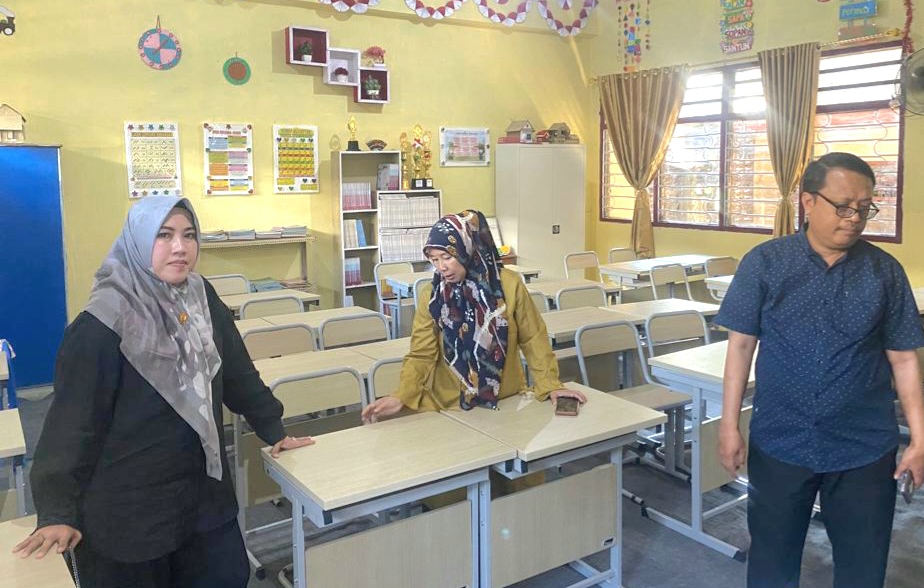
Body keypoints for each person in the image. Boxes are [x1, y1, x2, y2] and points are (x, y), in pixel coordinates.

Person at [12, 196, 314, 587]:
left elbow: (237, 373)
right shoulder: (101, 323)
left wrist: (275, 430)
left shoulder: (202, 298)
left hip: (202, 494)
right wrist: (57, 512)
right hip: (129, 511)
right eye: (164, 235)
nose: (179, 247)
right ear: (138, 241)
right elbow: (71, 425)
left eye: (189, 235)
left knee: (226, 576)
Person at [715, 152, 924, 588]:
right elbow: (741, 346)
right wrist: (729, 425)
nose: (855, 219)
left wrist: (921, 440)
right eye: (844, 206)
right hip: (781, 439)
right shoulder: (766, 262)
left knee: (862, 567)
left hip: (863, 446)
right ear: (808, 201)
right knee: (772, 563)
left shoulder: (884, 271)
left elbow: (904, 357)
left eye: (864, 208)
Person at [362, 209, 585, 420]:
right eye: (434, 259)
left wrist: (551, 385)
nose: (441, 267)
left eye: (446, 257)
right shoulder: (433, 296)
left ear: (466, 250)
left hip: (505, 400)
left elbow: (533, 339)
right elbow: (421, 353)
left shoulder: (508, 286)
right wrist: (402, 394)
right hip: (451, 403)